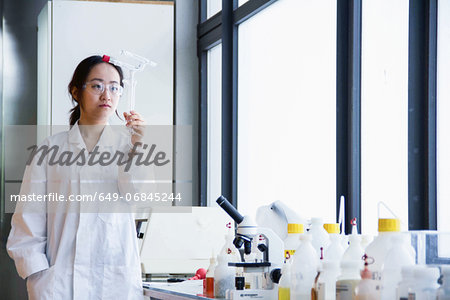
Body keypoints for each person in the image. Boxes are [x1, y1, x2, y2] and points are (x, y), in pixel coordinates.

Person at [6, 55, 148, 300]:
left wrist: (138, 146)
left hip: (115, 281)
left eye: (115, 87)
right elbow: (29, 216)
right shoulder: (50, 149)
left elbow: (138, 195)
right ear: (76, 91)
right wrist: (37, 275)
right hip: (58, 283)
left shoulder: (129, 146)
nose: (107, 95)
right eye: (97, 86)